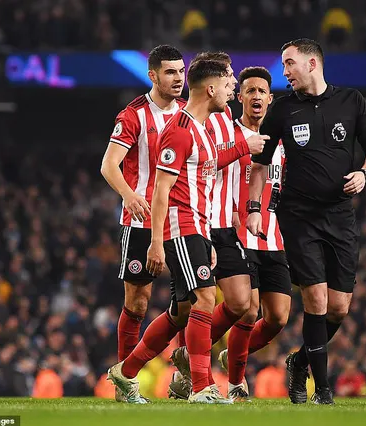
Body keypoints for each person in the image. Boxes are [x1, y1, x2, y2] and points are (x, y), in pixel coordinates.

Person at [108, 59, 265, 404]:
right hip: (179, 225)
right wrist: (155, 244)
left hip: (198, 226)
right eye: (227, 86)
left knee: (183, 310)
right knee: (205, 298)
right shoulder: (179, 130)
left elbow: (204, 184)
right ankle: (200, 387)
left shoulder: (202, 128)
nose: (231, 92)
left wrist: (207, 237)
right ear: (210, 89)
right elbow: (161, 191)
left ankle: (126, 371)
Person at [245, 38, 366, 404]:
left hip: (340, 216)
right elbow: (260, 165)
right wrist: (255, 208)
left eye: (289, 63)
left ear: (311, 63)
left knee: (339, 307)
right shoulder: (283, 109)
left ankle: (300, 361)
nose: (285, 71)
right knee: (316, 300)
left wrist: (365, 174)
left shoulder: (350, 101)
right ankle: (322, 391)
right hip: (298, 216)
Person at [168, 53, 269, 400]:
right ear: (215, 83)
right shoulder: (201, 118)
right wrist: (243, 146)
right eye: (230, 77)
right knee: (196, 305)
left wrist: (244, 210)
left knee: (240, 304)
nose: (234, 83)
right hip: (200, 222)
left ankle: (189, 362)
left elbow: (234, 172)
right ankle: (186, 375)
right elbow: (208, 161)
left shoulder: (225, 114)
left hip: (228, 222)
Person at [100, 44, 186, 403]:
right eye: (170, 72)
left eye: (182, 71)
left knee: (193, 301)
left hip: (183, 219)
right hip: (141, 221)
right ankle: (126, 383)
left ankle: (188, 376)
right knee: (137, 303)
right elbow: (109, 165)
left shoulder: (189, 113)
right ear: (153, 75)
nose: (178, 78)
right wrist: (130, 195)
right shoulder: (133, 115)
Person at [215, 66, 292, 401]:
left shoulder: (282, 142)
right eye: (250, 90)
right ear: (240, 96)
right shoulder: (227, 134)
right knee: (247, 309)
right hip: (236, 235)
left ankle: (231, 352)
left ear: (270, 98)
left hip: (274, 238)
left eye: (262, 91)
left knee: (277, 318)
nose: (256, 96)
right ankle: (235, 382)